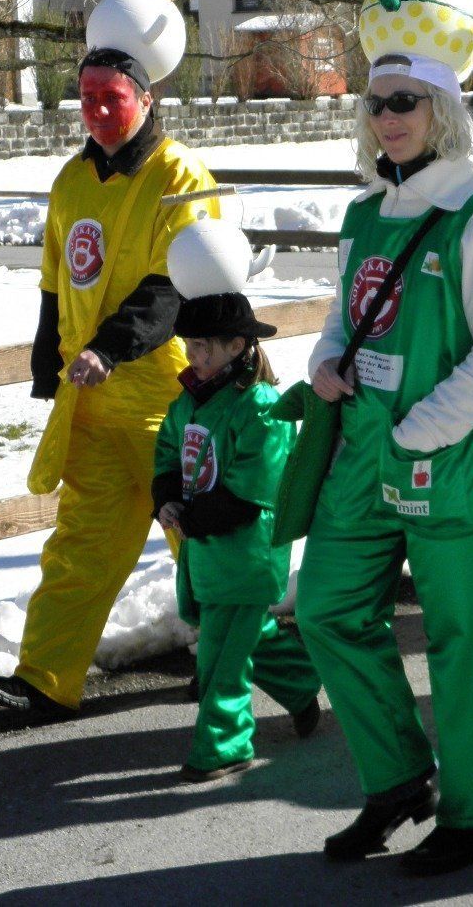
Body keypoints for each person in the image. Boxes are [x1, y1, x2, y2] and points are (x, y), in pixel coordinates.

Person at [295, 0, 473, 876]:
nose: (387, 117)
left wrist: (418, 429)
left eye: (405, 101)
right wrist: (324, 362)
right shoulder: (366, 212)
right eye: (376, 102)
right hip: (366, 453)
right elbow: (346, 318)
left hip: (450, 457)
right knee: (326, 610)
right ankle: (398, 778)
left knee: (469, 643)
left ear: (444, 108)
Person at [0, 0, 216, 716]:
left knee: (204, 543)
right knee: (81, 544)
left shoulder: (179, 176)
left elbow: (175, 283)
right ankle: (46, 678)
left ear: (146, 97)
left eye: (112, 97)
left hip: (168, 399)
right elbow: (56, 281)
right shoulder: (71, 180)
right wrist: (47, 362)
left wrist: (109, 350)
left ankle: (237, 661)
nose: (99, 111)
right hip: (94, 403)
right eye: (87, 98)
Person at [152, 285, 322, 782]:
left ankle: (223, 746)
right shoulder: (190, 400)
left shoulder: (262, 407)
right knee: (243, 636)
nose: (193, 355)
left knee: (221, 658)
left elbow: (256, 487)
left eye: (204, 346)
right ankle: (299, 681)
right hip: (208, 548)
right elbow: (168, 450)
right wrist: (165, 495)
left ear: (236, 346)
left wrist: (193, 518)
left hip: (247, 551)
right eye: (190, 344)